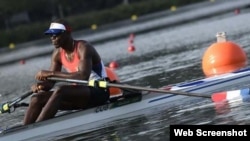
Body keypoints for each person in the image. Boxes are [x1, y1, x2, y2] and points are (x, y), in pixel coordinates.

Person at [23, 19, 109, 125]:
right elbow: (50, 83)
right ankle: (24, 131)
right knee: (37, 98)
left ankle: (38, 127)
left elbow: (83, 76)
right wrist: (40, 86)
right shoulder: (57, 54)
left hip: (99, 91)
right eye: (50, 35)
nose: (52, 38)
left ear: (67, 33)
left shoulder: (84, 48)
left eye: (56, 34)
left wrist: (50, 73)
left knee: (61, 90)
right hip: (80, 95)